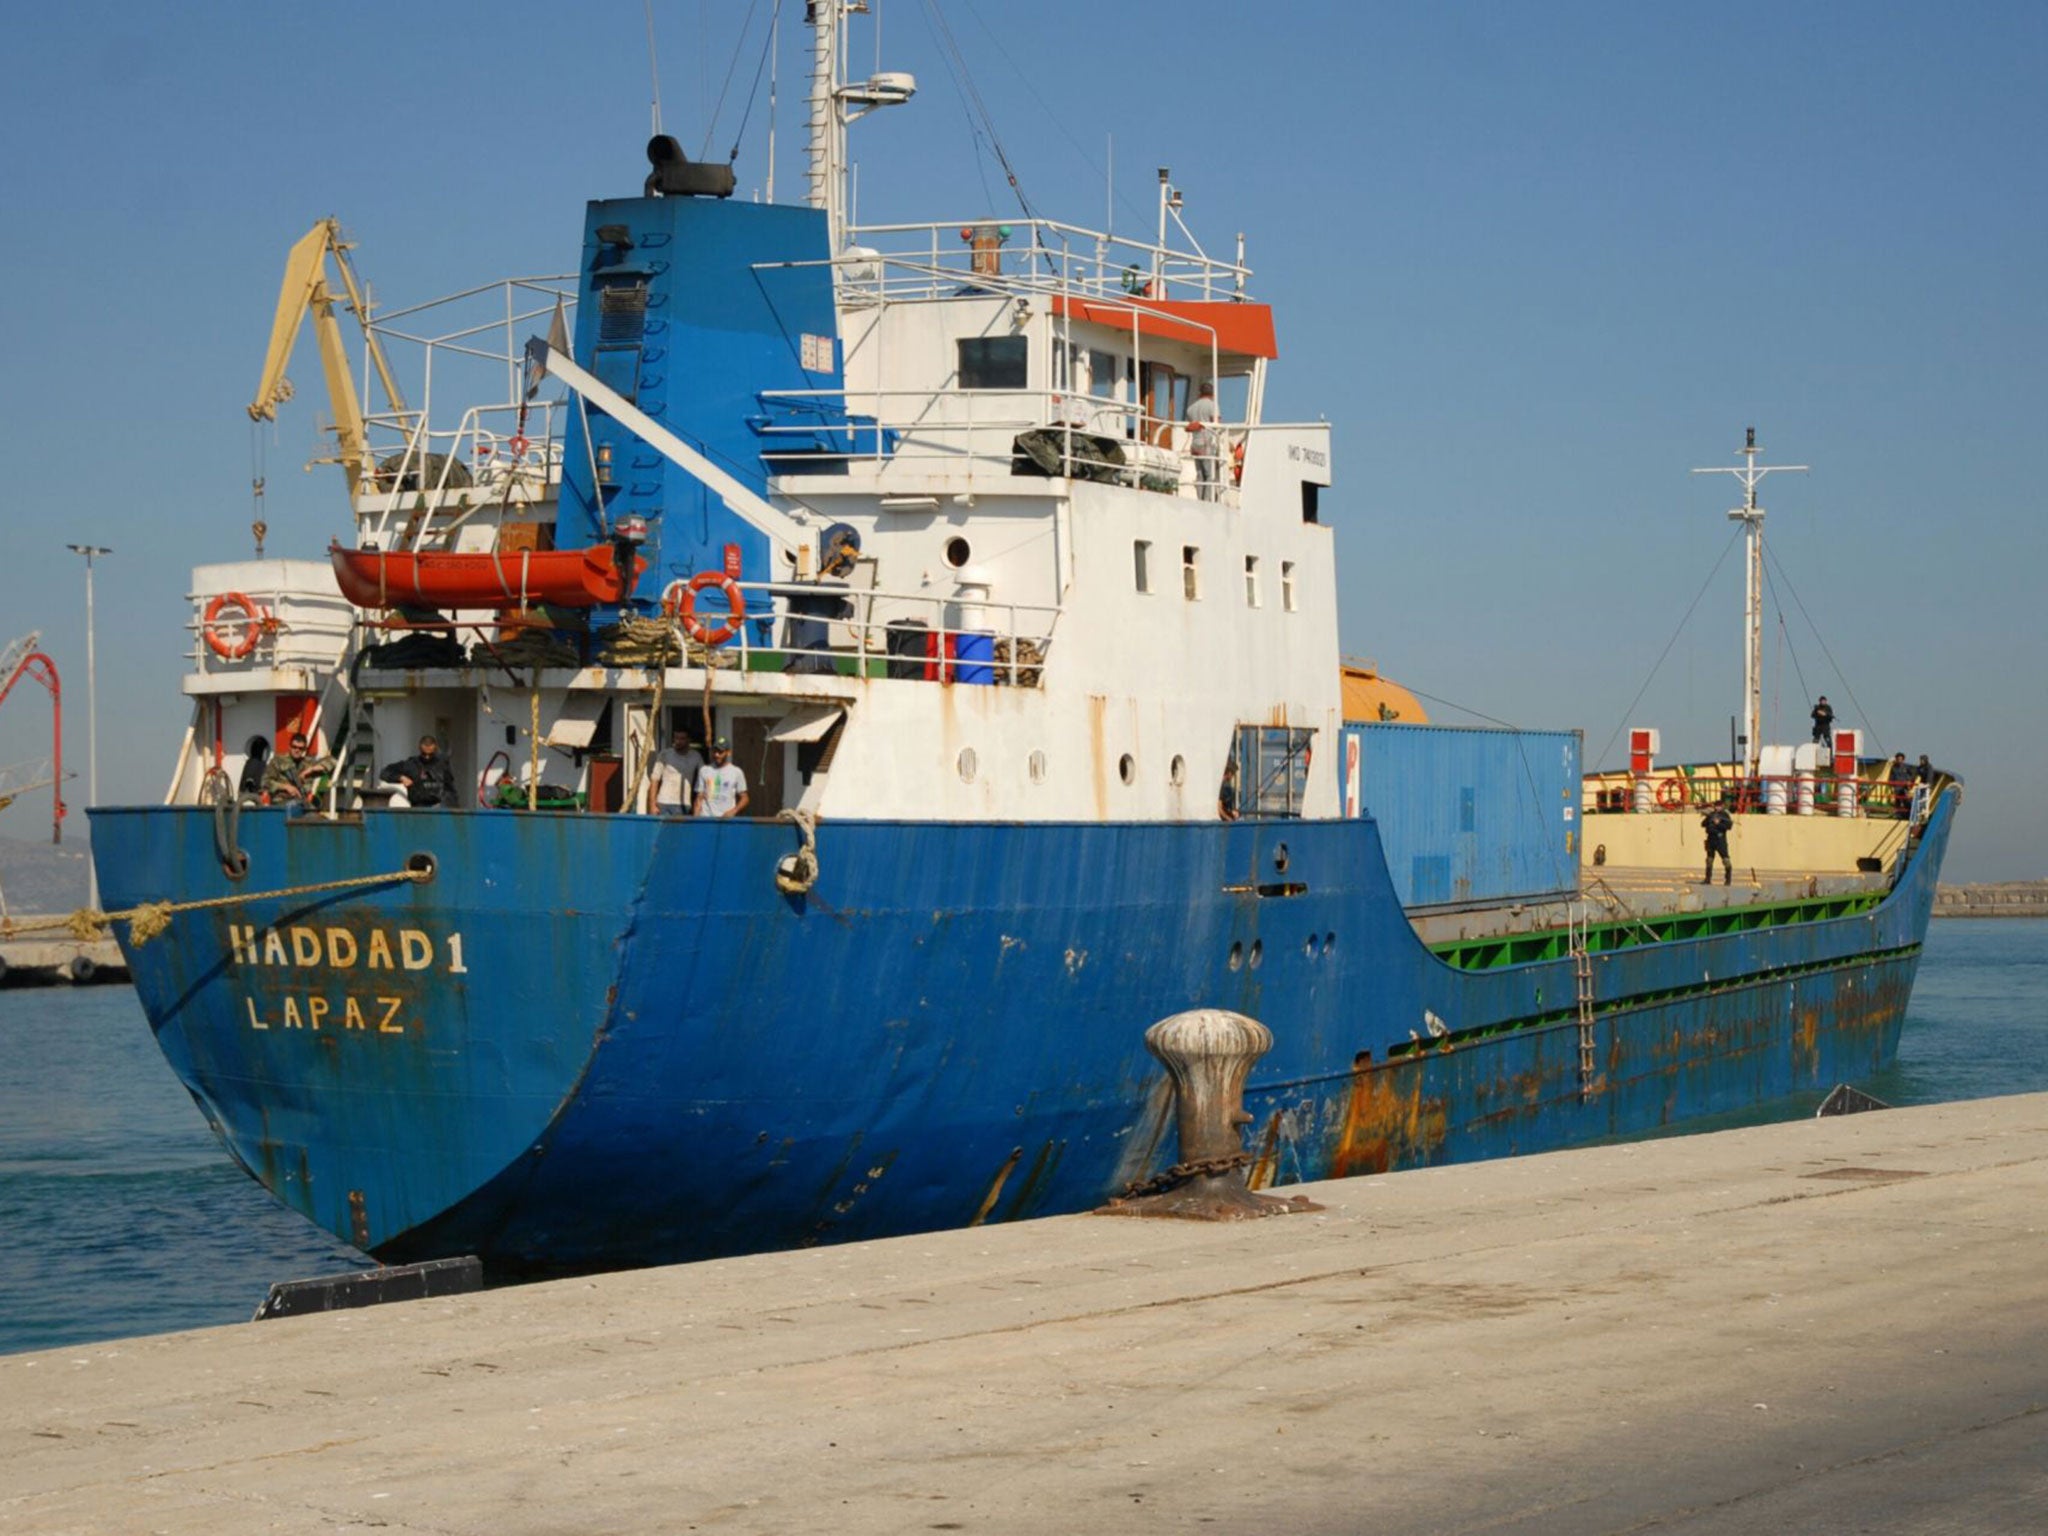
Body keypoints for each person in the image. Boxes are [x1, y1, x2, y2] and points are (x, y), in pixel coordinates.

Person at [381, 734, 459, 808]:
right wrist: (401, 777)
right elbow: (384, 772)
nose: (427, 757)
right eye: (424, 754)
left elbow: (450, 789)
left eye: (430, 754)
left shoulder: (442, 766)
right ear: (420, 749)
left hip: (438, 807)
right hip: (418, 807)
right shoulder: (411, 764)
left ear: (435, 750)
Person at [261, 731, 331, 806]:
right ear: (289, 747)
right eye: (294, 747)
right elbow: (265, 782)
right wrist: (285, 787)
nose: (297, 750)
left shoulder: (308, 763)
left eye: (300, 748)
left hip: (303, 803)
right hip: (281, 803)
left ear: (304, 749)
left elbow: (332, 761)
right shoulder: (278, 761)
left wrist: (310, 770)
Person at [648, 728, 704, 815]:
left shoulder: (696, 756)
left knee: (682, 829)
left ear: (689, 740)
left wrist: (698, 804)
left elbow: (703, 778)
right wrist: (652, 805)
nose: (678, 741)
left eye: (682, 738)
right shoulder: (665, 754)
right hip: (664, 802)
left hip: (684, 803)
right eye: (676, 738)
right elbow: (655, 779)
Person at [693, 737, 750, 819]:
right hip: (706, 818)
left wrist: (733, 811)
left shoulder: (736, 772)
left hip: (726, 819)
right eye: (715, 751)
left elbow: (745, 798)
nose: (716, 754)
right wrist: (695, 820)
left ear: (728, 753)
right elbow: (699, 797)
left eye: (720, 752)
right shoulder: (704, 770)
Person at [1186, 380, 1222, 502]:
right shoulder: (1212, 405)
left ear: (1199, 393)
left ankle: (1200, 499)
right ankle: (1207, 501)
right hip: (1207, 443)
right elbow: (1217, 424)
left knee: (1200, 474)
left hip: (1195, 443)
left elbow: (1191, 425)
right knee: (1210, 475)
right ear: (1212, 393)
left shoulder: (1191, 408)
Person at [1701, 798, 1734, 886]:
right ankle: (1707, 879)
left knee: (1726, 860)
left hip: (1720, 840)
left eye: (1719, 806)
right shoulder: (1711, 814)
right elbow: (1703, 824)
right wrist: (1709, 818)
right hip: (1711, 839)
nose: (1717, 807)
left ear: (1722, 806)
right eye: (1716, 806)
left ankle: (1728, 880)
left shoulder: (1725, 815)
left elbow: (1729, 826)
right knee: (1709, 860)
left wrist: (1718, 823)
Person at [1887, 752, 1914, 820]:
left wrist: (1909, 782)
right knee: (1897, 801)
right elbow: (1890, 778)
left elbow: (1912, 776)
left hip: (1904, 787)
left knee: (1906, 801)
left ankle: (1909, 814)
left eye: (1900, 759)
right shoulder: (1894, 768)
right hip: (1897, 787)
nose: (1899, 760)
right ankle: (1898, 814)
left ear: (1903, 759)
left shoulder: (1907, 767)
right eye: (1898, 759)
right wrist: (1891, 785)